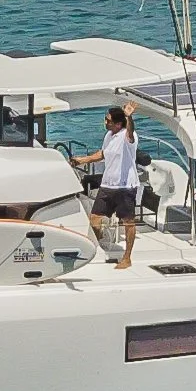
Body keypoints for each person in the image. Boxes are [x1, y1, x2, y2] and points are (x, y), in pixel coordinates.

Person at [77, 104, 142, 269]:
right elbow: (102, 154)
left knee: (127, 222)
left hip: (125, 187)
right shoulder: (109, 135)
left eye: (108, 120)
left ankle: (127, 258)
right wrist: (82, 160)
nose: (104, 122)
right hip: (107, 185)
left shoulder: (128, 136)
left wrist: (129, 117)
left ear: (118, 124)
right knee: (95, 218)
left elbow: (130, 134)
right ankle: (97, 248)